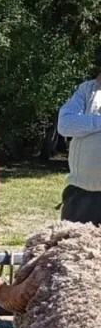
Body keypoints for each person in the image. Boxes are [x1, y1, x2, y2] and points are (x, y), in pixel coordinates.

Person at [56, 45, 101, 225]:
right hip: (82, 195)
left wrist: (88, 123)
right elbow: (65, 124)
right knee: (72, 248)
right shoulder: (86, 90)